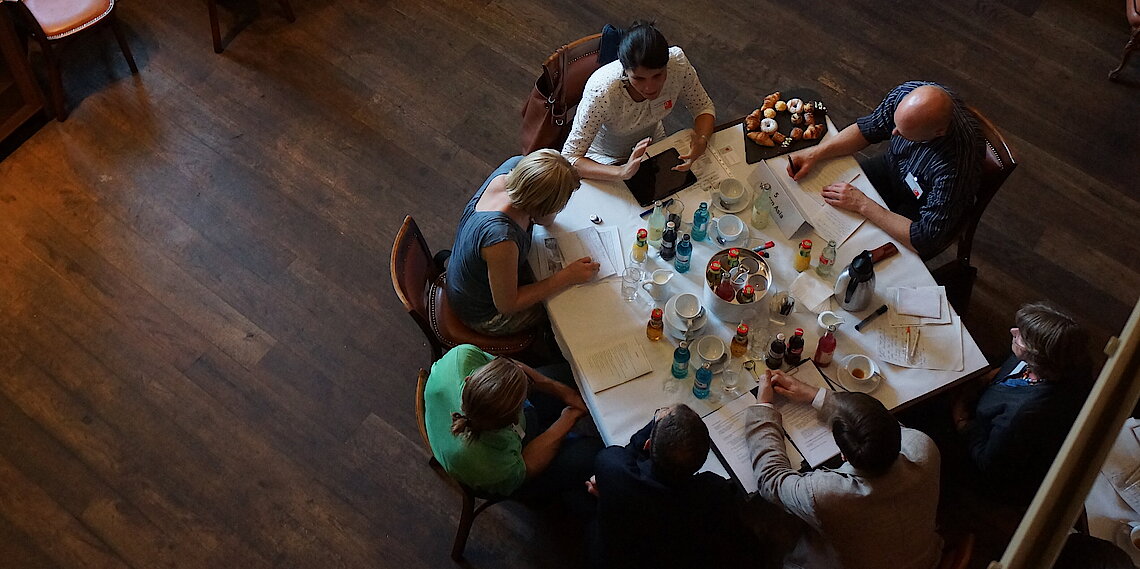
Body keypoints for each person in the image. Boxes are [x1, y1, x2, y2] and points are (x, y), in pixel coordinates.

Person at [746, 370, 943, 569]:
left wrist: (763, 407)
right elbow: (878, 425)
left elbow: (771, 479)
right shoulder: (923, 447)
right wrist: (815, 395)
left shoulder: (830, 495)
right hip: (926, 560)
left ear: (844, 455)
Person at [786, 81, 985, 258]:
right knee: (826, 204)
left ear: (938, 133)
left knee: (859, 254)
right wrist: (815, 154)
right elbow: (868, 130)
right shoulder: (906, 94)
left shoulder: (955, 169)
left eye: (904, 133)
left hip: (919, 206)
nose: (893, 133)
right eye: (896, 124)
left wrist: (863, 203)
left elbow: (924, 238)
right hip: (894, 167)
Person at [949, 302, 1092, 506]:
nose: (1013, 331)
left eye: (1021, 336)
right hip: (986, 395)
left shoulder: (1021, 415)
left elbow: (988, 462)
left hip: (976, 442)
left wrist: (961, 418)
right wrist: (990, 376)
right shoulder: (1067, 360)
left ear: (1036, 357)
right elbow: (1011, 363)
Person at [446, 149, 599, 336]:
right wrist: (567, 276)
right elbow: (508, 305)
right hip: (482, 312)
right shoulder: (501, 239)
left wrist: (543, 209)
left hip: (470, 280)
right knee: (564, 308)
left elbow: (546, 220)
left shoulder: (515, 167)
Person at [423, 344, 602, 500]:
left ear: (472, 377)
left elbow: (512, 367)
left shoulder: (462, 357)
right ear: (514, 421)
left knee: (576, 373)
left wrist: (567, 394)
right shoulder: (492, 464)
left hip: (460, 428)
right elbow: (527, 466)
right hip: (507, 473)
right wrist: (570, 417)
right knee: (594, 453)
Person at [586, 404, 753, 568]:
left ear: (648, 445)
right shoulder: (715, 491)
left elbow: (624, 452)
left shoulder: (614, 470)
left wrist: (657, 422)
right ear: (701, 464)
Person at [561, 20, 716, 181]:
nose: (649, 88)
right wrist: (622, 172)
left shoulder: (678, 64)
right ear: (625, 71)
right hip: (606, 158)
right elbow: (570, 158)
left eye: (657, 75)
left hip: (652, 141)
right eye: (639, 79)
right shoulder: (602, 91)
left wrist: (702, 139)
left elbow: (703, 107)